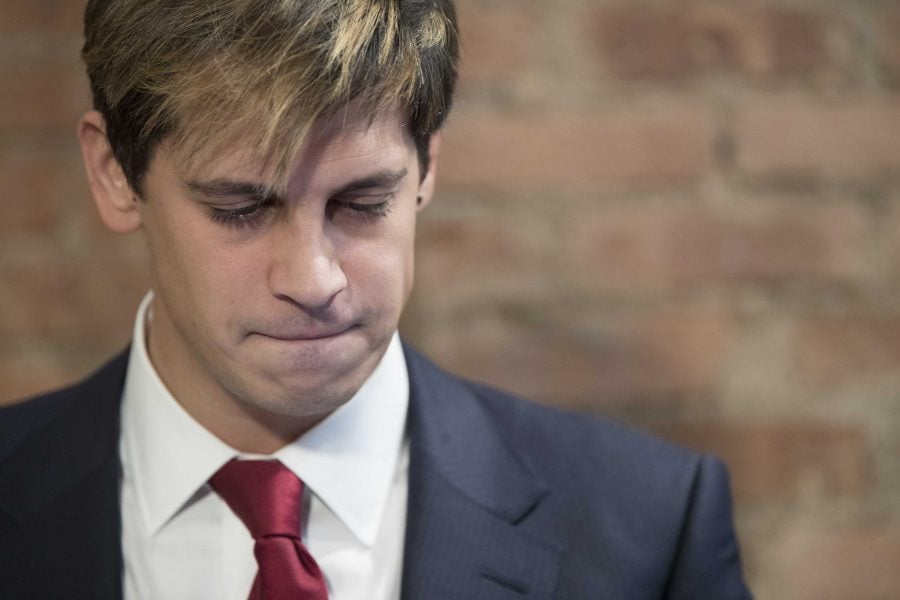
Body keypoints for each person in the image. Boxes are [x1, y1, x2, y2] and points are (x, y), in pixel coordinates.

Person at [0, 1, 752, 598]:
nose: (313, 279)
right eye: (240, 209)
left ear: (425, 169)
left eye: (362, 203)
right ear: (112, 173)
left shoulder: (649, 530)